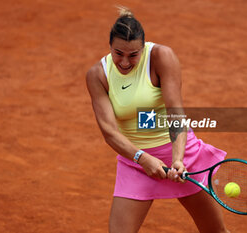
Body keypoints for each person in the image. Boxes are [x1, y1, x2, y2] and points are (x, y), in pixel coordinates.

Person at [86, 7, 229, 233]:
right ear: (109, 47)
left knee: (214, 232)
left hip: (182, 156)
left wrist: (178, 159)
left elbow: (176, 113)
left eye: (133, 55)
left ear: (143, 48)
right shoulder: (97, 75)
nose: (124, 62)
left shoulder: (162, 57)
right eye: (118, 53)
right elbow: (109, 132)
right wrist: (142, 158)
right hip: (135, 161)